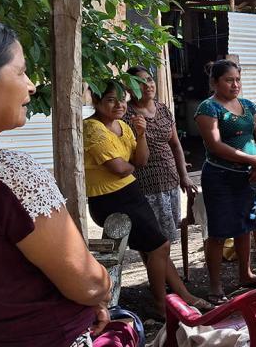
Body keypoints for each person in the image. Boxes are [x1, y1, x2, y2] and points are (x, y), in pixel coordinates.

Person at [0, 12, 111, 346]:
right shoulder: (9, 175)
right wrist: (101, 286)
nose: (31, 84)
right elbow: (89, 284)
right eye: (21, 71)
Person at [85, 86, 213, 315]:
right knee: (159, 246)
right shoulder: (93, 129)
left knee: (158, 246)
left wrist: (141, 134)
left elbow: (142, 160)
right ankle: (162, 305)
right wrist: (131, 166)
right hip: (110, 199)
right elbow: (119, 168)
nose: (119, 105)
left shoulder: (123, 125)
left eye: (122, 100)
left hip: (130, 193)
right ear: (96, 101)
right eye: (111, 100)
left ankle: (182, 296)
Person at [195, 59, 256, 304]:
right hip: (220, 177)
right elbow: (215, 145)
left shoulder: (247, 105)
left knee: (245, 226)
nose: (235, 84)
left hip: (248, 176)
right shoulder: (208, 108)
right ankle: (215, 285)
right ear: (215, 82)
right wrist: (251, 159)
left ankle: (244, 274)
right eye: (229, 80)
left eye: (237, 79)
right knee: (218, 231)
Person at [122, 66, 197, 244]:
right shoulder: (125, 115)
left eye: (149, 79)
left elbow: (175, 144)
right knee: (150, 238)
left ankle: (165, 270)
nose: (148, 85)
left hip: (169, 180)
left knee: (169, 236)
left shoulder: (162, 109)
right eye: (139, 82)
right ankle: (158, 271)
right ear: (129, 88)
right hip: (144, 183)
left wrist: (183, 176)